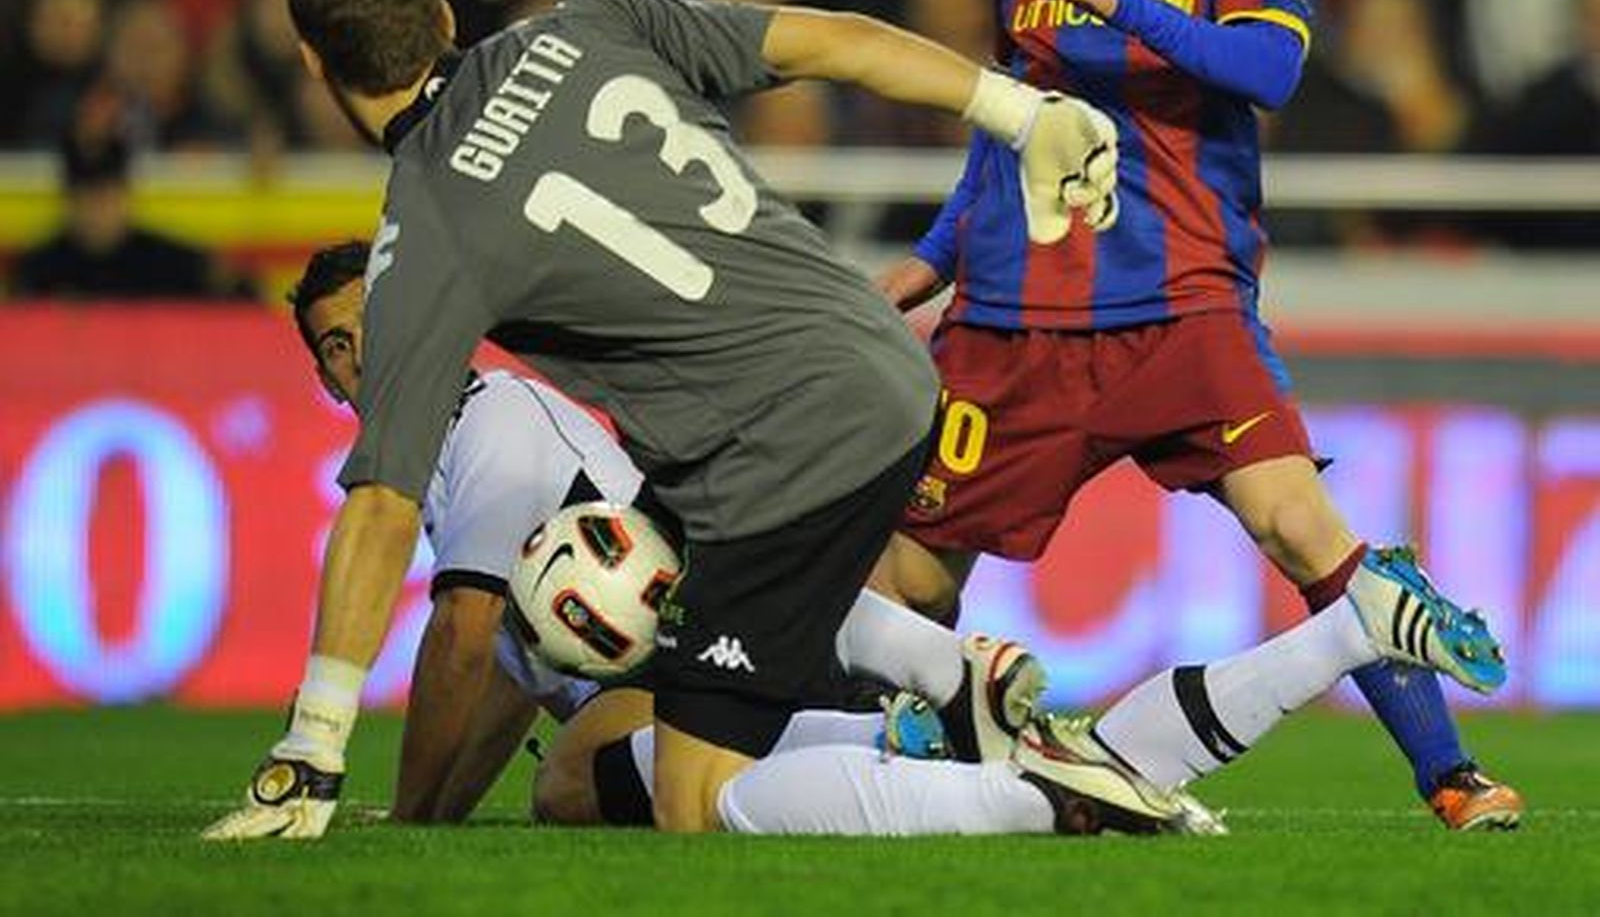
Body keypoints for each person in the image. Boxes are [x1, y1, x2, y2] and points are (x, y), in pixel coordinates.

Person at [203, 0, 1157, 844]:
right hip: (869, 358)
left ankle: (1033, 791)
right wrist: (1021, 111)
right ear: (443, 13)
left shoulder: (423, 238)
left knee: (695, 803)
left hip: (777, 443)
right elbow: (832, 42)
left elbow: (381, 504)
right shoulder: (588, 24)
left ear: (313, 61)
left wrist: (315, 742)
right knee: (580, 768)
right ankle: (955, 687)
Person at [873, 0, 1522, 832]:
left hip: (1178, 293)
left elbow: (1269, 65)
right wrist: (930, 261)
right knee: (908, 574)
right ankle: (868, 779)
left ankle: (1450, 772)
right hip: (1018, 307)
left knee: (1300, 523)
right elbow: (1012, 111)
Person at [285, 240, 1504, 835]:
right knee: (575, 785)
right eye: (331, 349)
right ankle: (1344, 629)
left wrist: (398, 824)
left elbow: (468, 630)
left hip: (735, 588)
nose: (355, 363)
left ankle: (971, 737)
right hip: (752, 574)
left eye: (364, 333)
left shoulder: (488, 420)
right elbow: (499, 660)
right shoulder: (486, 421)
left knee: (695, 804)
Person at [11, 128, 249, 299]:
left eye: (106, 197)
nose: (97, 210)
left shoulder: (168, 263)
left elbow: (242, 297)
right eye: (87, 197)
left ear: (125, 197)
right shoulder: (40, 269)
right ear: (69, 202)